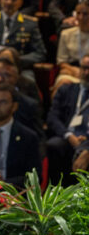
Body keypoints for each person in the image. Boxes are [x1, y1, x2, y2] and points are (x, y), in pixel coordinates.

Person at [45, 54, 89, 183]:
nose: (86, 73)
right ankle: (55, 192)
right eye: (84, 68)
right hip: (67, 137)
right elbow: (52, 117)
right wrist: (69, 135)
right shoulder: (66, 90)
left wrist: (87, 146)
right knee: (53, 145)